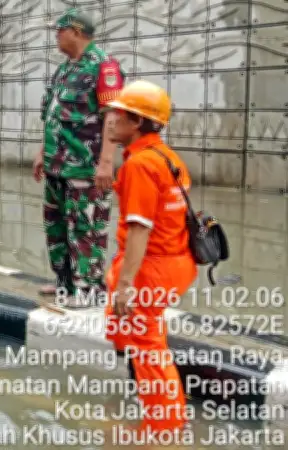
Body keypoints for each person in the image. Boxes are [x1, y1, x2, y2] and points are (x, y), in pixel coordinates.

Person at [103, 80, 196, 436]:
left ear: (137, 122)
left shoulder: (140, 165)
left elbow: (140, 229)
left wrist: (126, 284)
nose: (110, 120)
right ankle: (148, 407)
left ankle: (164, 431)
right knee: (126, 327)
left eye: (118, 114)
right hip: (175, 261)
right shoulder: (167, 157)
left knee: (147, 346)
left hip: (151, 268)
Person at [33, 8, 125, 302]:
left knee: (86, 230)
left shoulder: (103, 66)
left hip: (85, 168)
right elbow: (53, 115)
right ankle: (65, 283)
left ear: (75, 31)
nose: (55, 36)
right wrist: (40, 154)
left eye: (58, 30)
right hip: (56, 166)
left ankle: (90, 288)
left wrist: (106, 163)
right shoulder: (65, 69)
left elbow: (113, 116)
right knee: (56, 227)